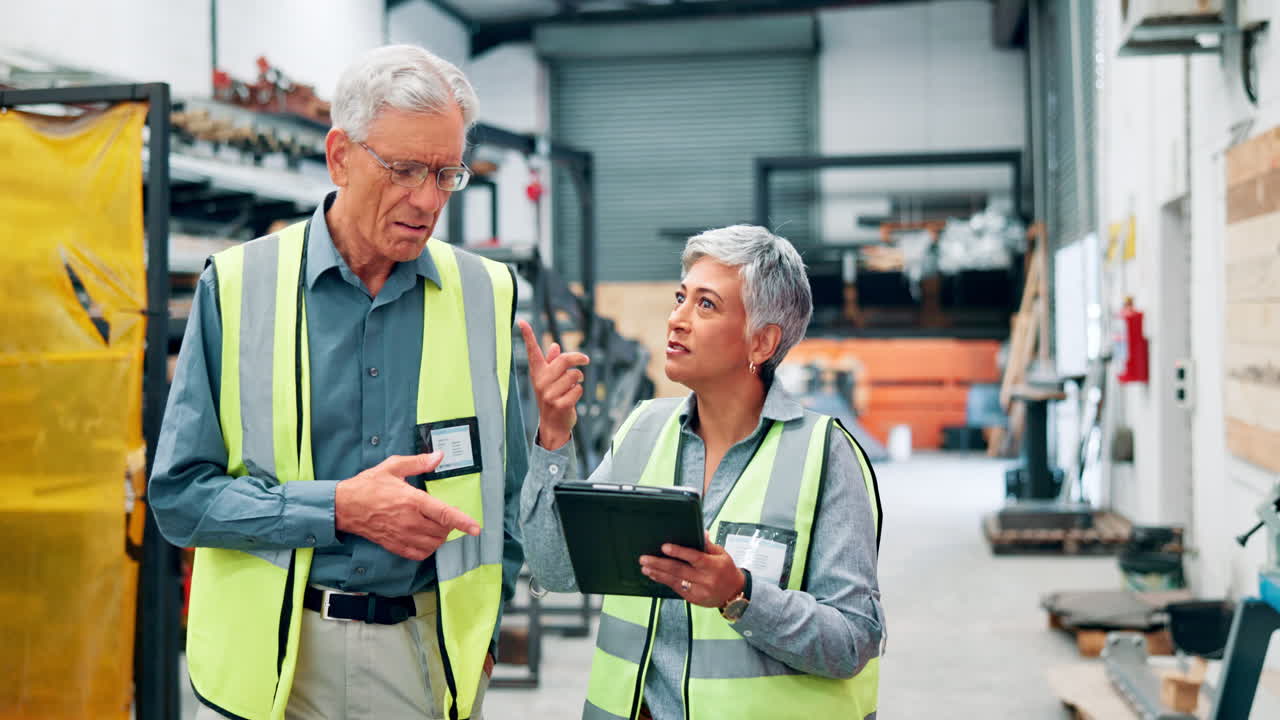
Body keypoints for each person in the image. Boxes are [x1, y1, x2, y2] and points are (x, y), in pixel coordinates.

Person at [150, 45, 526, 720]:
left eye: (446, 174)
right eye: (405, 170)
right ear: (340, 156)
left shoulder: (485, 294)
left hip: (424, 659)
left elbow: (507, 497)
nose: (427, 200)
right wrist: (338, 509)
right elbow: (180, 498)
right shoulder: (238, 287)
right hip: (269, 664)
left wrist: (487, 638)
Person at [519, 225, 884, 720]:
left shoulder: (824, 455)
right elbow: (555, 569)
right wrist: (553, 436)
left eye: (706, 305)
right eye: (680, 298)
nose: (677, 319)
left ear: (762, 342)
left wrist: (740, 596)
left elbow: (854, 639)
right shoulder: (644, 430)